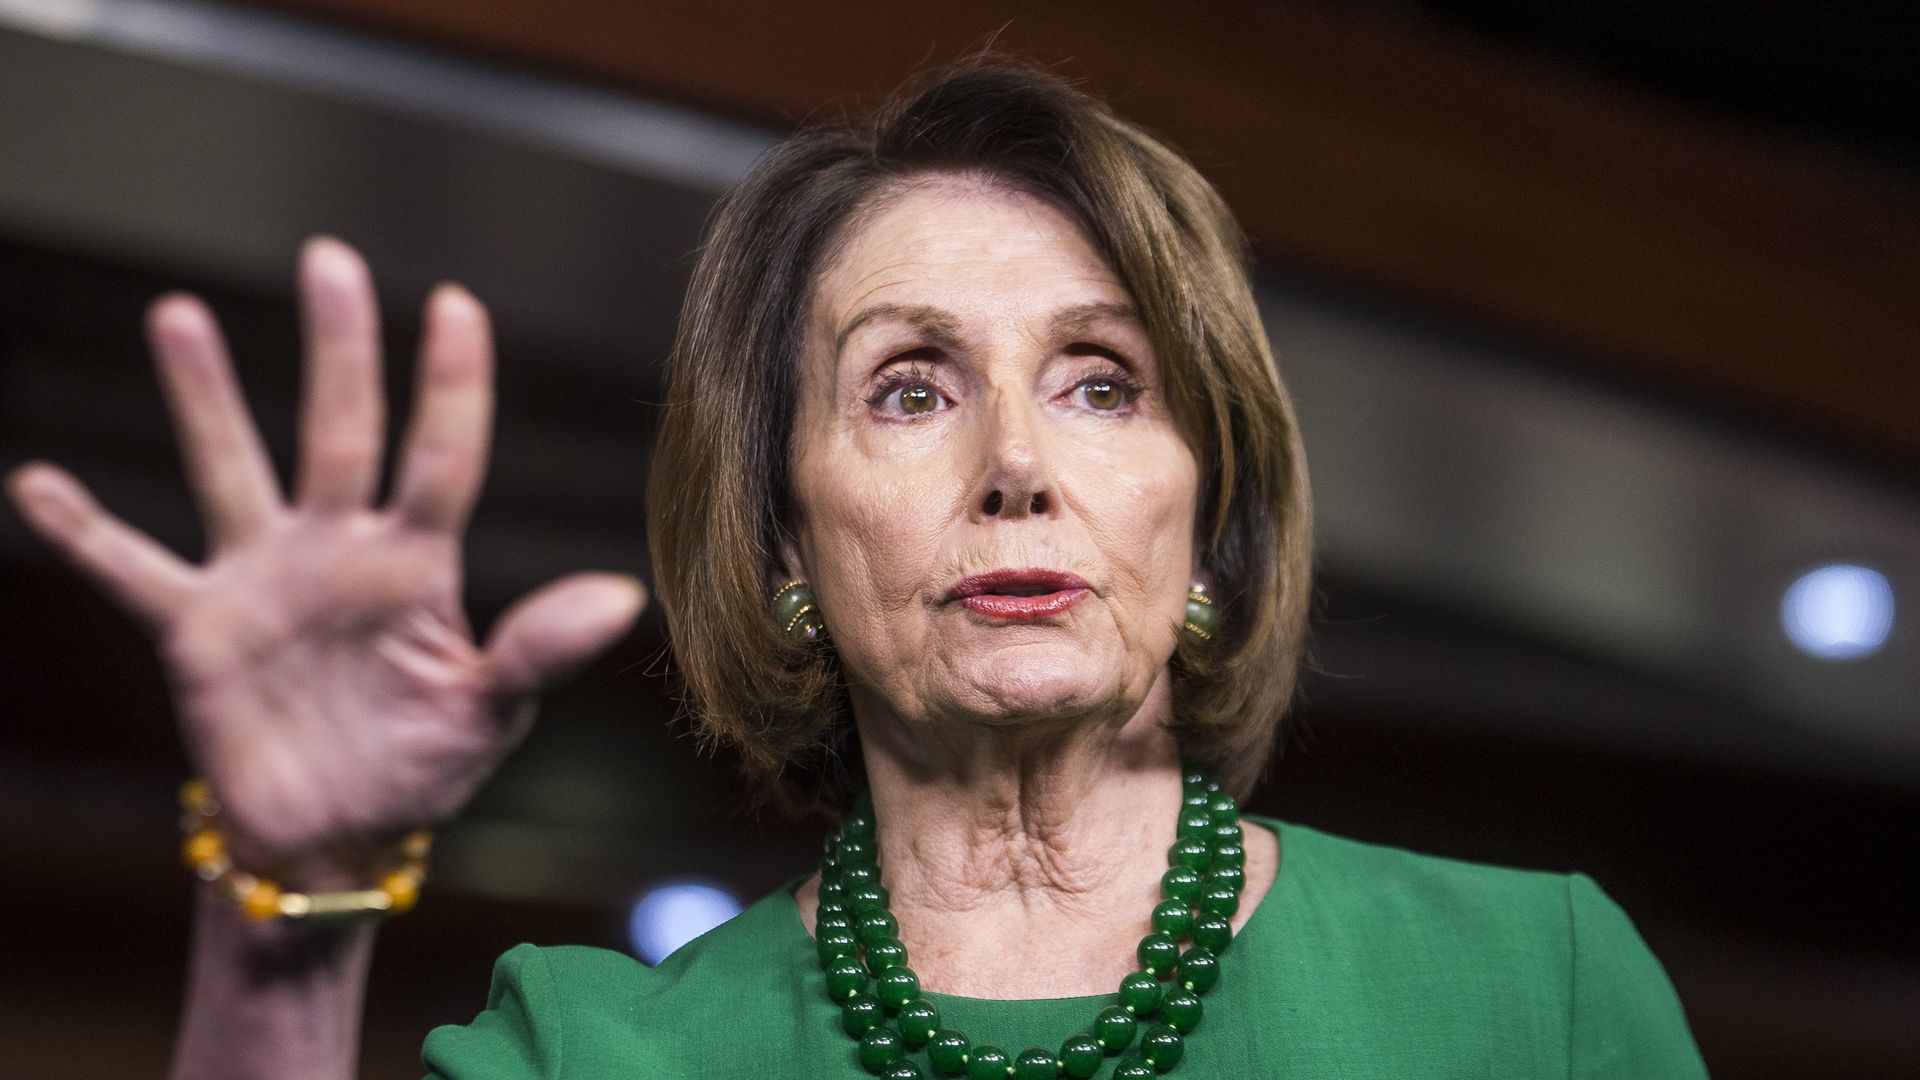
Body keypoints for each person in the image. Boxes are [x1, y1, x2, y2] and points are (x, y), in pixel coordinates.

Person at [3, 56, 1707, 1079]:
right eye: (910, 387)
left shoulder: (1531, 984)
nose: (1017, 467)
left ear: (1215, 510)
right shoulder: (604, 1057)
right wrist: (287, 916)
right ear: (784, 535)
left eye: (1102, 381)